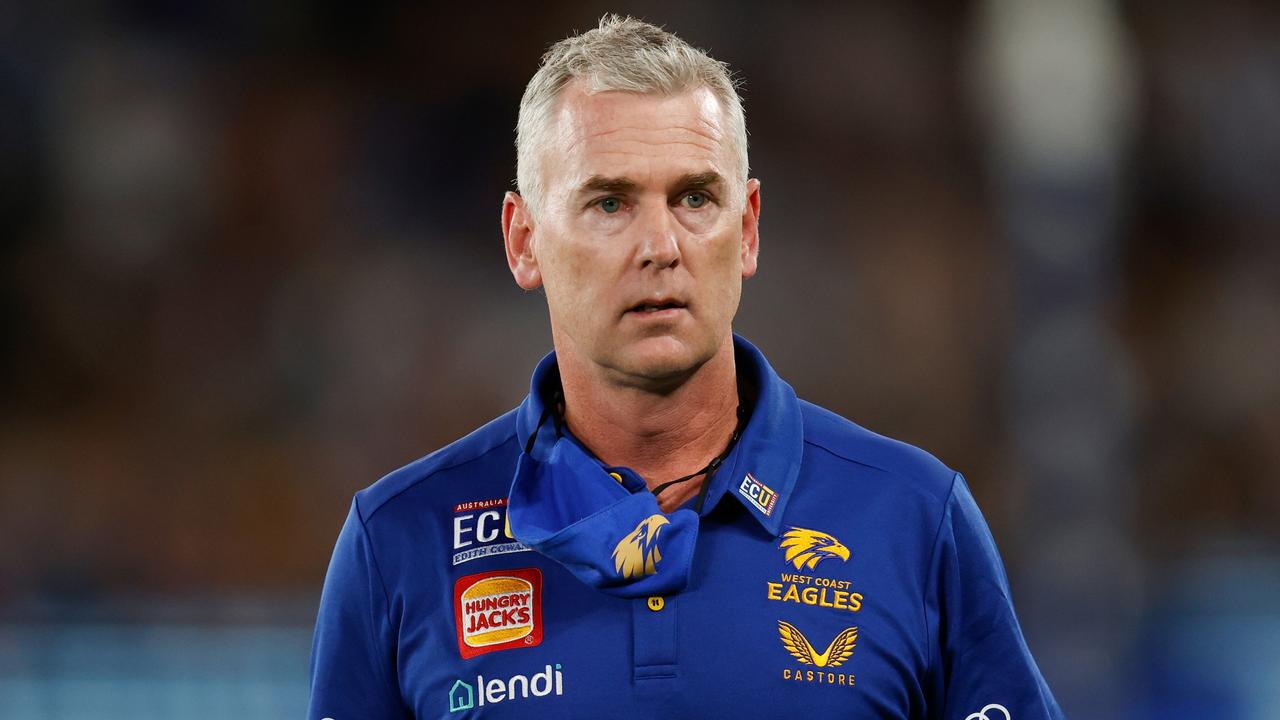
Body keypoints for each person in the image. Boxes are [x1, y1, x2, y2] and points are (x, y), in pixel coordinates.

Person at [308, 15, 1063, 720]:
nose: (660, 245)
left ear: (747, 231)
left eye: (695, 197)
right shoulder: (398, 542)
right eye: (609, 203)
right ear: (524, 240)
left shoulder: (915, 519)